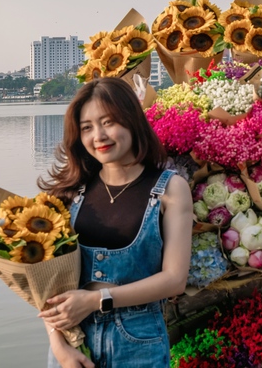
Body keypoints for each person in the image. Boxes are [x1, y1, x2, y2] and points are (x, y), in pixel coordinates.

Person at [37, 77, 193, 367]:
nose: (98, 136)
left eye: (108, 122)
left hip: (138, 343)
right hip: (73, 343)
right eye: (87, 128)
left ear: (132, 120)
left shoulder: (170, 190)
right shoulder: (72, 192)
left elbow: (175, 280)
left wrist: (96, 300)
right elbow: (45, 285)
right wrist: (58, 346)